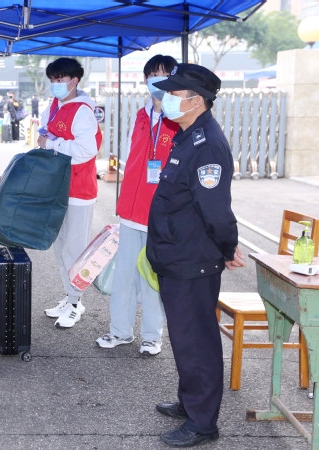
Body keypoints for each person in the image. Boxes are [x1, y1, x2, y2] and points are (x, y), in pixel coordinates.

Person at [147, 63, 245, 447]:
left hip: (191, 260)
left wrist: (228, 247)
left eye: (174, 93)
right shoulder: (187, 136)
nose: (166, 99)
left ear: (197, 101)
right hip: (176, 255)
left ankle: (203, 422)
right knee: (184, 338)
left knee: (197, 342)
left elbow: (216, 210)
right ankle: (191, 402)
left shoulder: (208, 146)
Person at [96, 55, 179, 356]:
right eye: (153, 74)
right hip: (131, 211)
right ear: (145, 80)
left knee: (152, 278)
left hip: (160, 213)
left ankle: (151, 336)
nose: (157, 80)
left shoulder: (178, 119)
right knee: (124, 276)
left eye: (164, 74)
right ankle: (120, 331)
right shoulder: (141, 115)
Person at [37, 58, 102, 329]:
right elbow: (45, 133)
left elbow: (87, 150)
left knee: (74, 250)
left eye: (60, 80)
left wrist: (53, 145)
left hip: (78, 190)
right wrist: (46, 141)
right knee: (62, 248)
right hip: (58, 188)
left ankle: (76, 303)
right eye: (52, 80)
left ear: (74, 81)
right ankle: (70, 297)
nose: (55, 85)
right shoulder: (55, 105)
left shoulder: (83, 111)